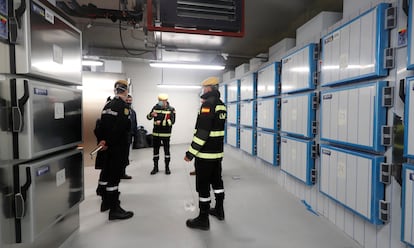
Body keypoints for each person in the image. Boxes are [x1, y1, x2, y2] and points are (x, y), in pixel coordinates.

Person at [184, 77, 227, 230]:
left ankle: (203, 219)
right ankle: (219, 210)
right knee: (217, 182)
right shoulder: (221, 105)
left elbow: (202, 132)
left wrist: (191, 153)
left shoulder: (207, 105)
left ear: (209, 88)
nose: (203, 90)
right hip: (217, 154)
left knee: (203, 186)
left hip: (205, 155)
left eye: (204, 88)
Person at [96, 79, 134, 220]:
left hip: (105, 147)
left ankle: (105, 202)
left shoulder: (107, 105)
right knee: (114, 177)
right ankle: (114, 209)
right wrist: (109, 141)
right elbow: (120, 128)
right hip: (117, 147)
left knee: (106, 173)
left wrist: (102, 141)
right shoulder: (123, 107)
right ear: (125, 91)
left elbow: (100, 125)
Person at [146, 93, 176, 175]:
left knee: (167, 152)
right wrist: (150, 115)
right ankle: (155, 168)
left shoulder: (171, 109)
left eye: (162, 101)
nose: (160, 102)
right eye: (159, 101)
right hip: (156, 134)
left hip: (166, 134)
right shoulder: (155, 107)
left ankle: (167, 168)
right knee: (155, 152)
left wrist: (162, 122)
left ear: (166, 101)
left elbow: (172, 122)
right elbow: (148, 118)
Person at [122, 94, 137, 179]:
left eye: (130, 101)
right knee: (120, 155)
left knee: (125, 155)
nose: (129, 102)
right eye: (127, 101)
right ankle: (118, 173)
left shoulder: (133, 112)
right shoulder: (121, 111)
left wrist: (135, 135)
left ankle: (123, 172)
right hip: (121, 137)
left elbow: (135, 123)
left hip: (129, 136)